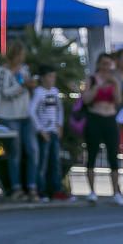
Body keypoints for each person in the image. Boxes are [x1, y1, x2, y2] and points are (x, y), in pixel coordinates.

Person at [0, 40, 41, 202]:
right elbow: (4, 93)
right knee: (15, 152)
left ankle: (32, 186)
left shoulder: (25, 69)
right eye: (20, 55)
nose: (22, 58)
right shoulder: (2, 72)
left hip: (25, 115)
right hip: (9, 116)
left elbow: (28, 88)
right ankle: (16, 188)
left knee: (32, 150)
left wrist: (31, 86)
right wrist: (23, 86)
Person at [82, 53, 123, 206]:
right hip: (95, 117)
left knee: (113, 155)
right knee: (92, 154)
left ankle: (116, 192)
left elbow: (119, 101)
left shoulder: (114, 80)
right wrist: (98, 86)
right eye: (104, 63)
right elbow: (86, 99)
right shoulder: (92, 79)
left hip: (110, 118)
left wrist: (115, 85)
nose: (106, 67)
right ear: (99, 64)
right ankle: (92, 192)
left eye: (109, 64)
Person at [30, 65, 71, 201]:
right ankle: (41, 191)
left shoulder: (54, 91)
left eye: (54, 77)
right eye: (49, 76)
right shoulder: (39, 92)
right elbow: (32, 112)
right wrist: (40, 130)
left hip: (53, 131)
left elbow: (59, 109)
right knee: (42, 162)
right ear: (42, 78)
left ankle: (56, 190)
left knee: (55, 162)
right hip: (44, 133)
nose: (52, 79)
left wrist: (59, 125)